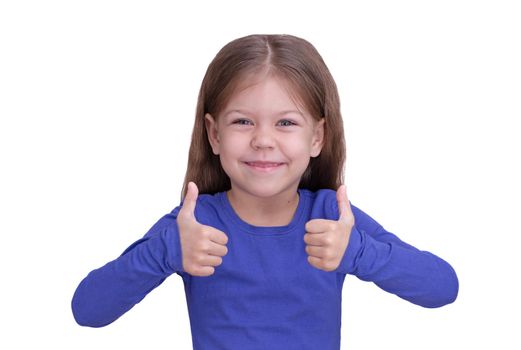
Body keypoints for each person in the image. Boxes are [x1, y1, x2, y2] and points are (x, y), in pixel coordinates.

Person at [71, 34, 459, 349]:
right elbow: (87, 309)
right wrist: (166, 251)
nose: (263, 140)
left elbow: (442, 287)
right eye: (243, 121)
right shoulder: (194, 224)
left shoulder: (332, 219)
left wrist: (358, 252)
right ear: (214, 134)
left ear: (317, 137)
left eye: (286, 122)